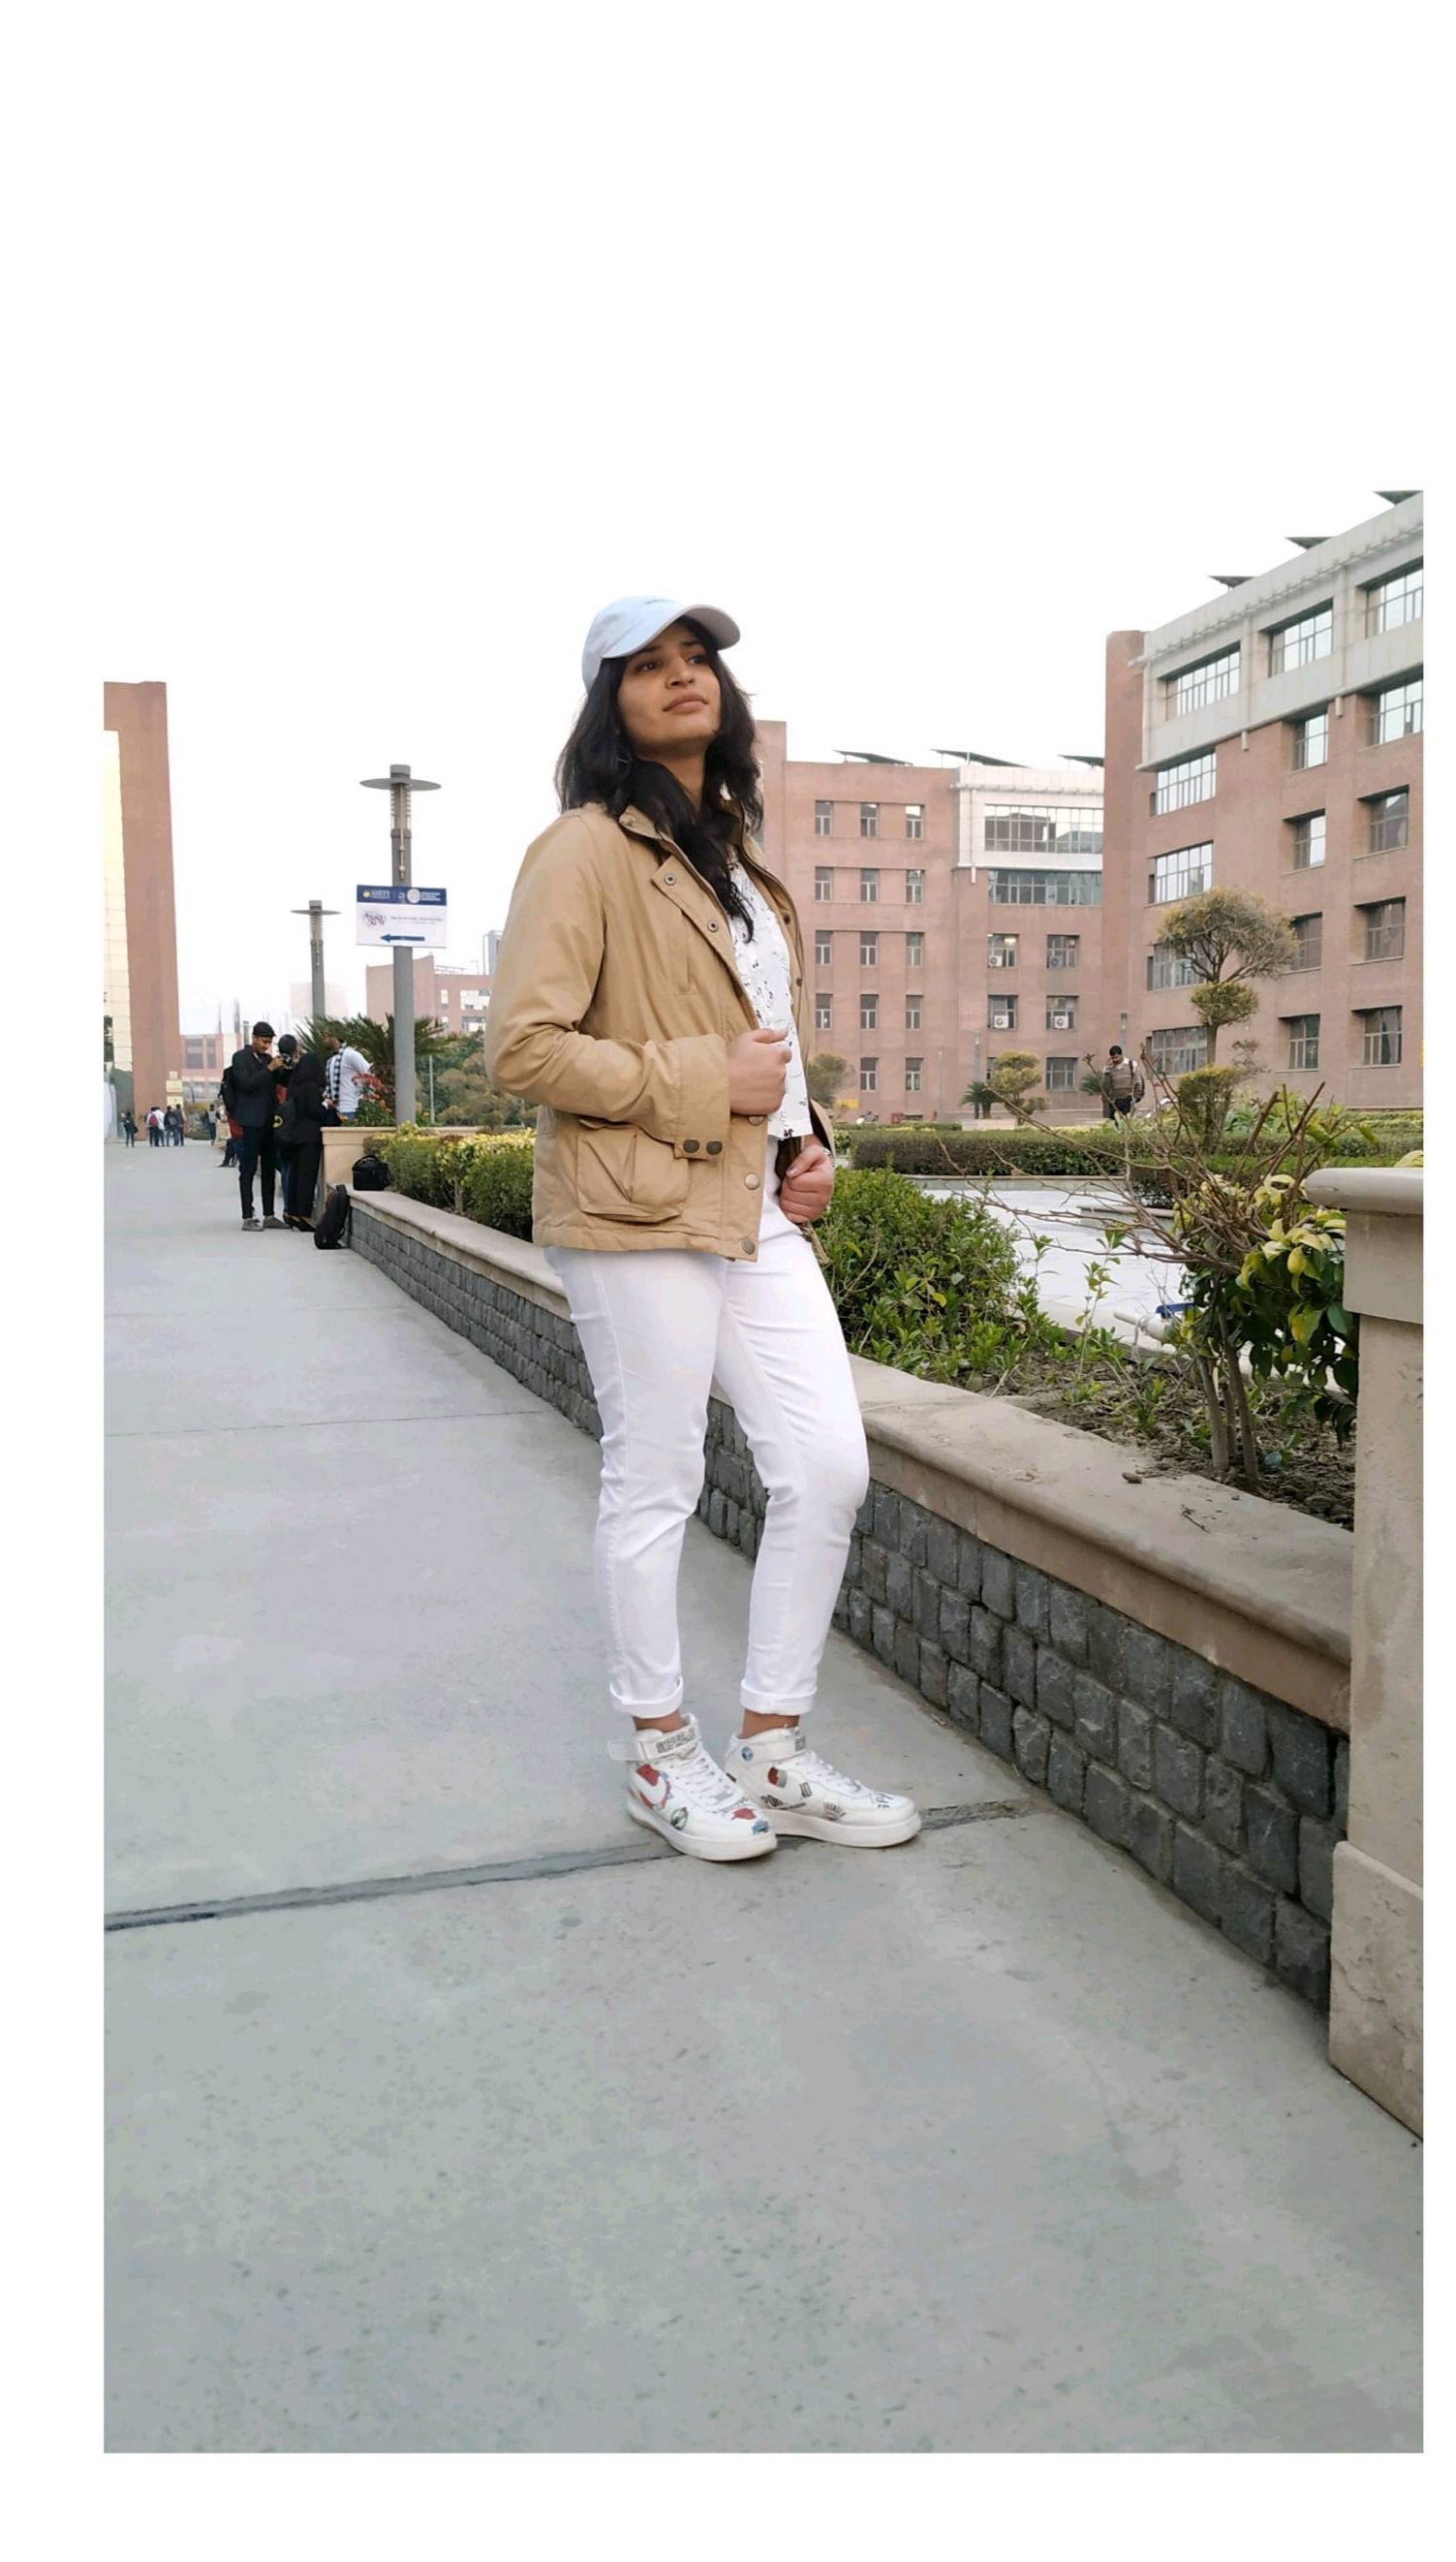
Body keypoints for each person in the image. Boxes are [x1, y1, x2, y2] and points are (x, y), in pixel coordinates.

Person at [486, 595, 920, 1864]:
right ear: (608, 702)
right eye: (648, 665)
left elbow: (763, 1045)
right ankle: (660, 1750)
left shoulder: (741, 864)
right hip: (632, 1206)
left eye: (698, 660)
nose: (683, 678)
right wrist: (703, 1083)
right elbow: (524, 1048)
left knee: (826, 1467)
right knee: (658, 1476)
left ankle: (771, 1746)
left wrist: (801, 1137)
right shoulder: (581, 851)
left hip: (751, 1207)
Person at [223, 1021, 285, 1230]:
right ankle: (247, 1216)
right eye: (264, 1042)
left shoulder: (268, 1059)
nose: (267, 1046)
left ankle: (269, 1215)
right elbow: (246, 1085)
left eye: (269, 1043)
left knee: (268, 1168)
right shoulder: (240, 1058)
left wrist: (284, 1067)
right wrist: (268, 1069)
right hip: (250, 1121)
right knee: (248, 1169)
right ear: (255, 1038)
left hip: (268, 1120)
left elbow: (281, 1081)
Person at [279, 1045, 327, 1228]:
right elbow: (314, 1111)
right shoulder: (311, 1086)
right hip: (309, 1137)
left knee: (295, 1174)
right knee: (307, 1176)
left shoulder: (294, 1085)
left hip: (294, 1136)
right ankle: (304, 1214)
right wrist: (326, 1105)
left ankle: (291, 1211)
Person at [324, 1032, 372, 1122]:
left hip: (351, 1109)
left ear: (335, 1037)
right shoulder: (331, 1060)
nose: (323, 1040)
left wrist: (367, 1098)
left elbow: (369, 1075)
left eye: (325, 1037)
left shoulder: (351, 1055)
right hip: (335, 1110)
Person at [1090, 1045, 1145, 1120]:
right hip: (1114, 1100)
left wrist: (1137, 1096)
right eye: (1112, 1058)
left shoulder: (1131, 1064)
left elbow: (1138, 1081)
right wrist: (1106, 1072)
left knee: (1126, 1121)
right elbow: (1104, 1085)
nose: (1115, 1060)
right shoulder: (1109, 1068)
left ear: (1121, 1055)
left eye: (1116, 1057)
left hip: (1128, 1099)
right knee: (1113, 1122)